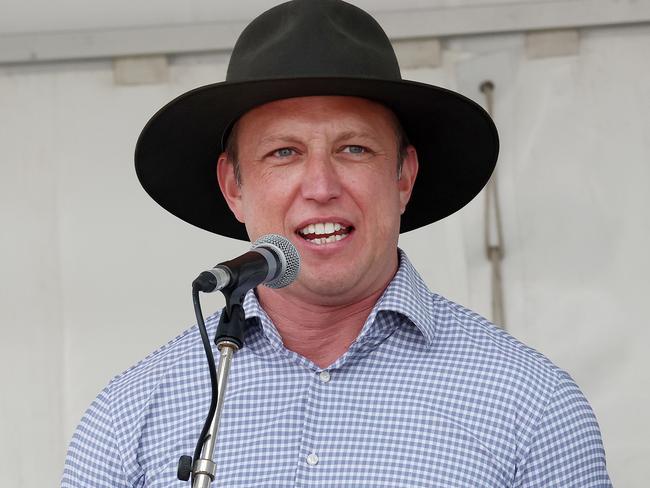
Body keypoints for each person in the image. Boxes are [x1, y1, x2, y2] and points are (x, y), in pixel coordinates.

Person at [62, 0, 612, 486]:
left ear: (403, 177)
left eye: (354, 149)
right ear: (234, 186)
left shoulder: (532, 404)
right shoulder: (131, 413)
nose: (321, 187)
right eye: (284, 152)